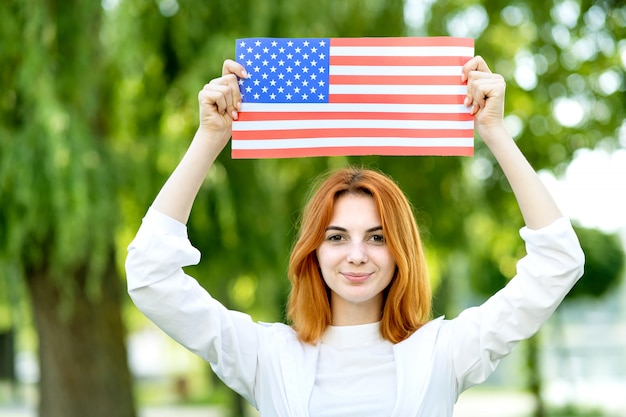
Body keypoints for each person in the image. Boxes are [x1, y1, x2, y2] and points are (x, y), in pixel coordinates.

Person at [126, 56, 585, 416]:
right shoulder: (266, 355)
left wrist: (495, 132)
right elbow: (151, 276)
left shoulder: (443, 352)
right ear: (313, 250)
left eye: (378, 238)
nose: (358, 256)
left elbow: (558, 263)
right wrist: (209, 139)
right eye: (337, 237)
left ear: (401, 250)